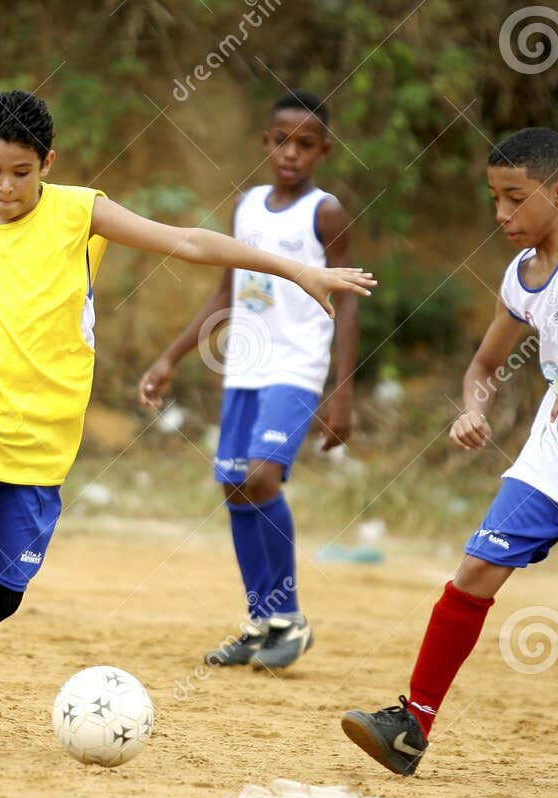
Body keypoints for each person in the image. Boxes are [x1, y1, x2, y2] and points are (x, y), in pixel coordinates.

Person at [0, 90, 377, 751]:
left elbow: (188, 241)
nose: (7, 186)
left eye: (22, 172)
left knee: (2, 594)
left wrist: (297, 269)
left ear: (48, 162)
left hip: (43, 430)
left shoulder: (81, 212)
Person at [339, 127, 558, 776]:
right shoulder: (522, 276)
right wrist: (473, 407)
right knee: (476, 569)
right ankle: (411, 724)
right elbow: (485, 363)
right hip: (554, 454)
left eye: (515, 197)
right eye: (494, 198)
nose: (502, 214)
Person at [138, 89, 359, 672]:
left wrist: (342, 391)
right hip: (245, 370)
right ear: (266, 143)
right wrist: (170, 358)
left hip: (296, 368)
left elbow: (349, 303)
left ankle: (290, 617)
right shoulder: (248, 207)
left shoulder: (325, 213)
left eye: (305, 145)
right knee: (235, 488)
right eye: (282, 141)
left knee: (262, 478)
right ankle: (261, 621)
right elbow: (226, 293)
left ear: (324, 152)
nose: (291, 153)